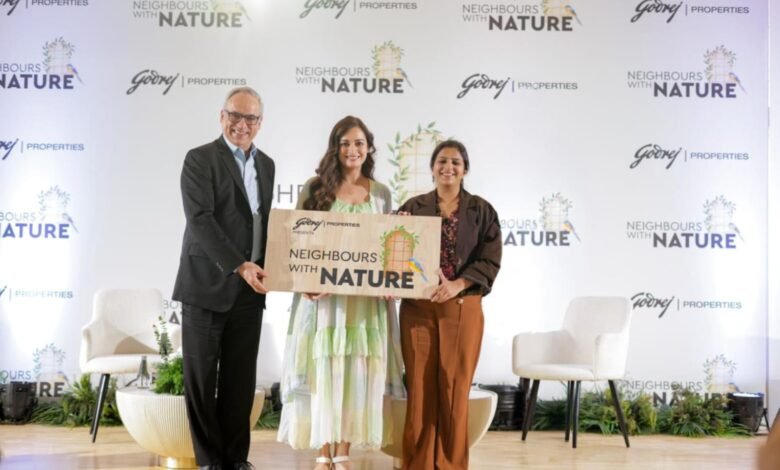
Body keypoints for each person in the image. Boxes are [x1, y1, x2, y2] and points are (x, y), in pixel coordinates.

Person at [277, 115, 404, 470]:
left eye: (359, 143)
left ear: (369, 148)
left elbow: (387, 247)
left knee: (355, 369)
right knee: (323, 366)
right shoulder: (314, 188)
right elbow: (297, 241)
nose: (352, 150)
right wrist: (304, 283)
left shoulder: (380, 193)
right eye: (345, 143)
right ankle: (323, 450)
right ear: (335, 148)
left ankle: (344, 451)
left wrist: (391, 283)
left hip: (364, 303)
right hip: (323, 301)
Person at [172, 86, 275, 470]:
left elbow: (262, 223)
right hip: (205, 285)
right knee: (201, 381)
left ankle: (236, 459)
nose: (241, 124)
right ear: (222, 116)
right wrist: (239, 264)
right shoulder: (199, 159)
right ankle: (209, 461)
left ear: (260, 123)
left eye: (250, 118)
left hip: (250, 292)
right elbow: (200, 220)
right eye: (235, 115)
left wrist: (274, 267)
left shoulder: (267, 165)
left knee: (239, 381)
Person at [397, 140, 502, 470]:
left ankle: (450, 464)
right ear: (432, 168)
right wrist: (395, 226)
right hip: (417, 309)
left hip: (461, 307)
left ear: (465, 169)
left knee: (454, 390)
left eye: (456, 162)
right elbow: (392, 250)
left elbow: (490, 259)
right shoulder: (412, 207)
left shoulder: (482, 210)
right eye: (442, 161)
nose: (448, 167)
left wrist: (457, 284)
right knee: (419, 388)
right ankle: (416, 463)